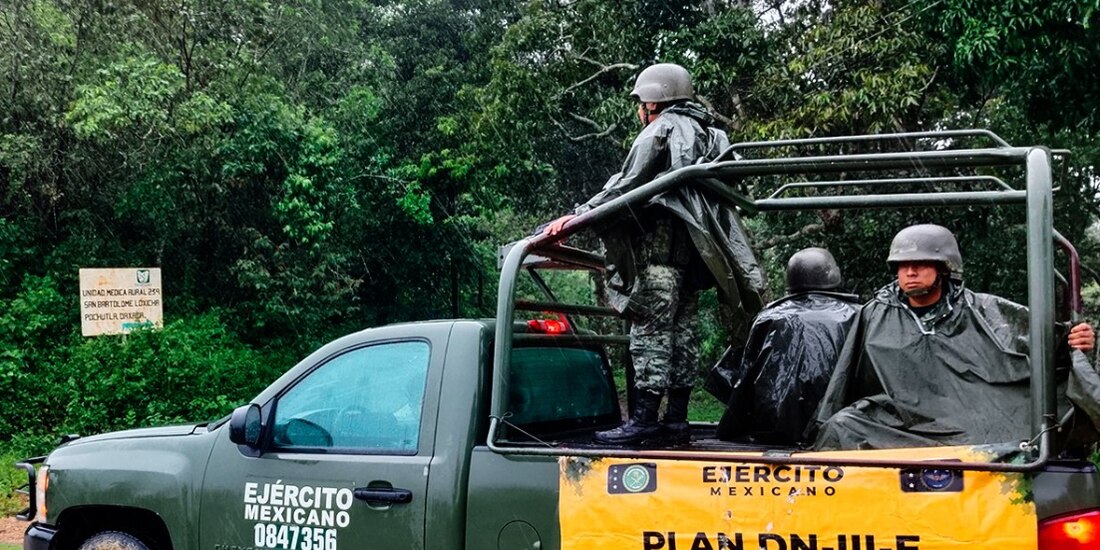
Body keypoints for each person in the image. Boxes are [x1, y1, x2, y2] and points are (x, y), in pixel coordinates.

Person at [542, 63, 766, 445]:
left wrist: (578, 216)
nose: (639, 110)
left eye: (640, 102)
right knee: (683, 336)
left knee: (650, 333)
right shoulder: (714, 136)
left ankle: (645, 420)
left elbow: (627, 187)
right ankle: (676, 421)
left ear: (653, 102)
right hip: (696, 261)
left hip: (659, 260)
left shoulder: (660, 130)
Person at [810, 224, 1098, 450]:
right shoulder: (875, 314)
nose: (909, 272)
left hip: (972, 421)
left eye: (920, 264)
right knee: (842, 426)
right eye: (902, 265)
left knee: (1019, 432)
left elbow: (1051, 342)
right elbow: (845, 379)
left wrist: (1077, 341)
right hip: (899, 423)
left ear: (943, 267)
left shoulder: (981, 309)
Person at [715, 247, 860, 446]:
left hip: (772, 429)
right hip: (840, 427)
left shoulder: (768, 317)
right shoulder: (858, 315)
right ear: (833, 275)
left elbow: (742, 377)